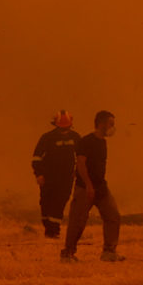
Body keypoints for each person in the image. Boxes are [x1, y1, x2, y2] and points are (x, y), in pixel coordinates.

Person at [61, 110, 122, 262]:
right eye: (111, 124)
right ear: (101, 124)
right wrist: (88, 185)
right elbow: (81, 164)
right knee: (77, 221)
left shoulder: (103, 142)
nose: (113, 128)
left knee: (113, 216)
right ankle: (68, 254)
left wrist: (98, 186)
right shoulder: (86, 141)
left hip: (101, 187)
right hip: (84, 188)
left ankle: (109, 252)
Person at [30, 112, 80, 238]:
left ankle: (54, 230)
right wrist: (39, 175)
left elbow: (82, 156)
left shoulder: (75, 137)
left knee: (60, 202)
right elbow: (36, 158)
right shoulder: (47, 138)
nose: (65, 131)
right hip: (48, 177)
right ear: (56, 126)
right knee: (46, 203)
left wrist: (78, 171)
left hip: (66, 178)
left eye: (67, 128)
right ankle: (48, 228)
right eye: (62, 128)